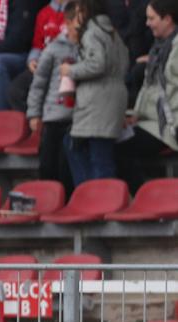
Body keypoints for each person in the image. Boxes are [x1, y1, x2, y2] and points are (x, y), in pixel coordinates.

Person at [62, 0, 129, 185]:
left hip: (96, 102)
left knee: (101, 160)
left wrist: (71, 70)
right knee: (76, 145)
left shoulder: (91, 32)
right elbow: (124, 63)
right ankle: (93, 195)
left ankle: (96, 200)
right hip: (114, 97)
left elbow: (96, 64)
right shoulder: (113, 32)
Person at [116, 0, 178, 192]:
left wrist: (141, 115)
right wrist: (136, 113)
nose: (147, 23)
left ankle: (143, 195)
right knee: (111, 140)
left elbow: (168, 96)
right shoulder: (159, 46)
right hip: (149, 121)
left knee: (119, 149)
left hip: (167, 126)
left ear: (167, 19)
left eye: (151, 18)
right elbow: (149, 89)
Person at [26, 1, 80, 193]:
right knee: (48, 165)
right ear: (69, 21)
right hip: (52, 116)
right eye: (78, 20)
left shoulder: (89, 48)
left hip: (76, 119)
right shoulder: (53, 48)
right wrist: (34, 114)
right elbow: (38, 84)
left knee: (68, 169)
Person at [7, 1, 71, 112]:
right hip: (43, 65)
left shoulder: (77, 11)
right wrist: (32, 60)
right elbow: (37, 45)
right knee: (15, 90)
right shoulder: (43, 13)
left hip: (65, 66)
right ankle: (31, 124)